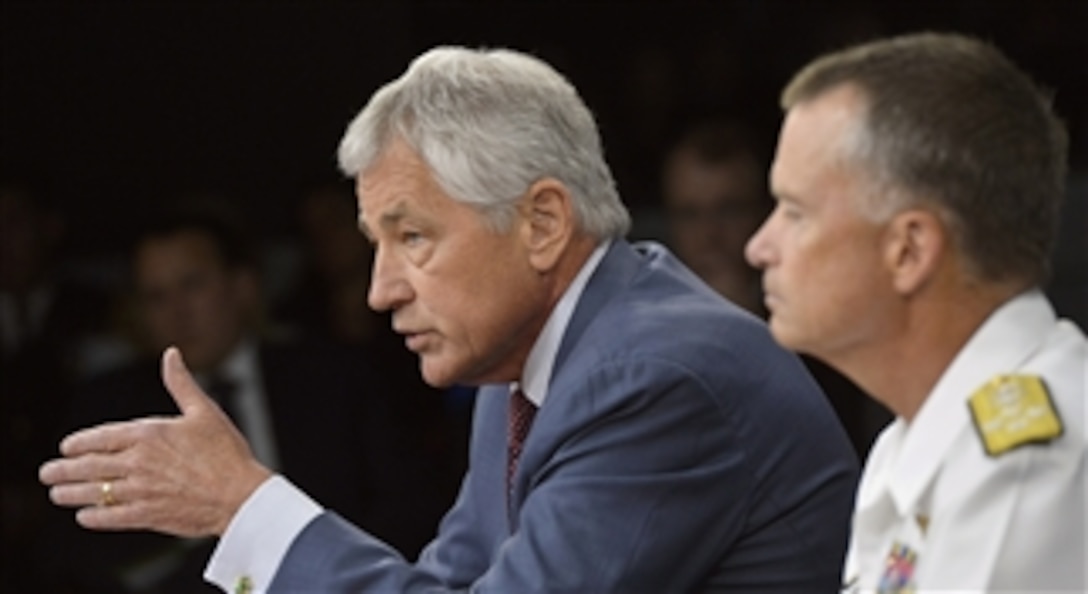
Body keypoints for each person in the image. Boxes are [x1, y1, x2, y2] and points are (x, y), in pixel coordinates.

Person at [41, 46, 858, 592]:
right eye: (375, 244)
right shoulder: (528, 362)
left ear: (541, 224)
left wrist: (245, 506)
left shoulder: (649, 377)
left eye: (413, 237)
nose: (379, 290)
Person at [744, 32, 1085, 592]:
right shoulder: (913, 438)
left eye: (795, 212)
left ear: (909, 251)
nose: (759, 246)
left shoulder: (1025, 462)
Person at [37, 204, 438, 592]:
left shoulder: (332, 377)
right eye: (156, 296)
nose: (178, 311)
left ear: (243, 286)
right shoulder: (110, 409)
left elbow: (408, 506)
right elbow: (72, 554)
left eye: (191, 285)